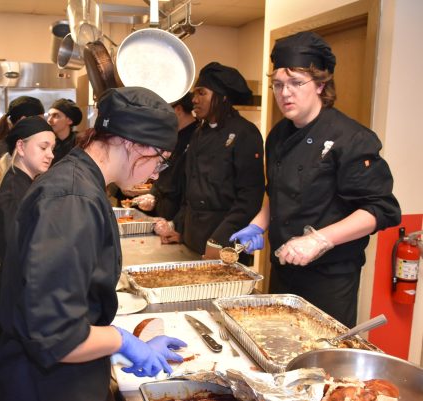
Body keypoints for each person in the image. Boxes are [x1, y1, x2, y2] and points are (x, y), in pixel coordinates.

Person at [0, 87, 187, 401]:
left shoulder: (81, 182)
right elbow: (57, 334)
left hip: (61, 376)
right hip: (45, 387)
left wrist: (112, 351)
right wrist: (120, 341)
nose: (155, 173)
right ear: (132, 143)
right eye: (159, 161)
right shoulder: (73, 198)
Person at [230, 31, 401, 327]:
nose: (285, 93)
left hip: (330, 280)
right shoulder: (278, 135)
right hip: (283, 270)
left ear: (321, 84)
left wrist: (319, 239)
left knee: (321, 361)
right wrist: (258, 224)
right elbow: (279, 193)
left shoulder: (351, 138)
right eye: (278, 85)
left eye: (297, 83)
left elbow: (381, 210)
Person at [154, 62, 265, 261]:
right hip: (192, 235)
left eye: (201, 93)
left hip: (226, 238)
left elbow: (249, 198)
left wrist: (220, 239)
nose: (194, 100)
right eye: (194, 94)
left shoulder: (245, 133)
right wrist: (179, 227)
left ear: (222, 97)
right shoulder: (199, 133)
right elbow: (191, 189)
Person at [0, 116, 55, 343]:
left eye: (52, 148)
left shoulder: (24, 182)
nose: (51, 154)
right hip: (17, 295)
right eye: (43, 147)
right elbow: (19, 250)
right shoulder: (16, 191)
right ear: (21, 147)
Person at [130, 92, 199, 220]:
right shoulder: (173, 135)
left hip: (180, 213)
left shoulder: (197, 136)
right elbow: (164, 170)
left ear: (178, 110)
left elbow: (183, 180)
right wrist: (153, 194)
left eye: (165, 111)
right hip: (162, 208)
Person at [0, 96, 45, 192]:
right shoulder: (7, 147)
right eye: (39, 120)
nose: (43, 125)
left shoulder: (14, 144)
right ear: (23, 119)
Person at [46, 98, 83, 164]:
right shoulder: (46, 142)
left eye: (56, 116)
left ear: (69, 120)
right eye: (49, 115)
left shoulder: (80, 142)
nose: (49, 120)